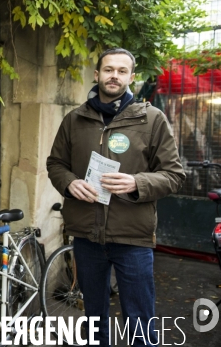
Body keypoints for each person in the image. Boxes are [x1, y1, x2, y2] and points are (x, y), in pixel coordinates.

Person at [46, 48, 185, 346]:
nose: (114, 76)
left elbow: (174, 175)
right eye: (108, 69)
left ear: (132, 78)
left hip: (132, 238)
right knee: (95, 321)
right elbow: (55, 164)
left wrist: (136, 182)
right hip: (86, 237)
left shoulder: (152, 119)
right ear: (97, 75)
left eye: (122, 71)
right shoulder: (75, 119)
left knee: (140, 322)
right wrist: (69, 183)